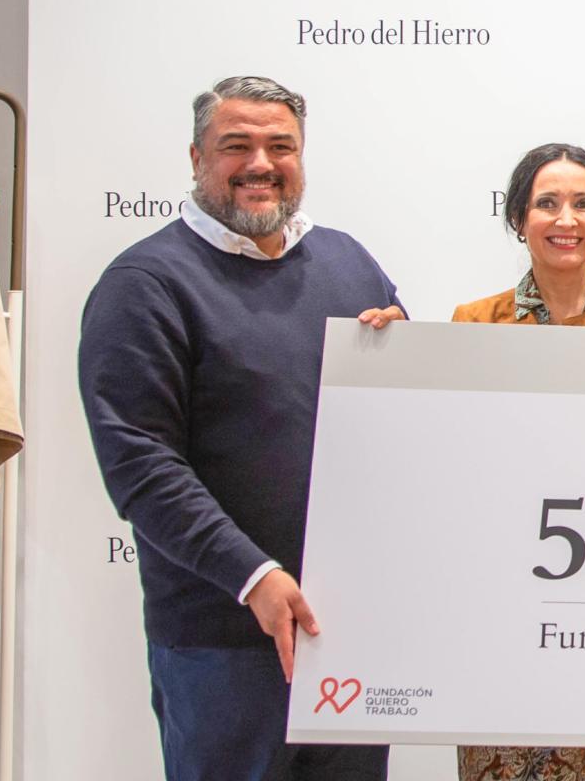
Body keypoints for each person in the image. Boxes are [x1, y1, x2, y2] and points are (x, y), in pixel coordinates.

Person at [79, 76, 403, 781]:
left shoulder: (350, 264)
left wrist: (406, 361)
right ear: (196, 158)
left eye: (280, 145)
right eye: (237, 146)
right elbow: (139, 463)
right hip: (222, 643)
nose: (261, 163)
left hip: (349, 636)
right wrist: (253, 575)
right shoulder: (145, 283)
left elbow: (398, 427)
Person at [450, 142, 585, 781]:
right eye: (547, 203)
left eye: (583, 203)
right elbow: (457, 459)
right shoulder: (474, 323)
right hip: (503, 602)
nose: (566, 219)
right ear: (520, 218)